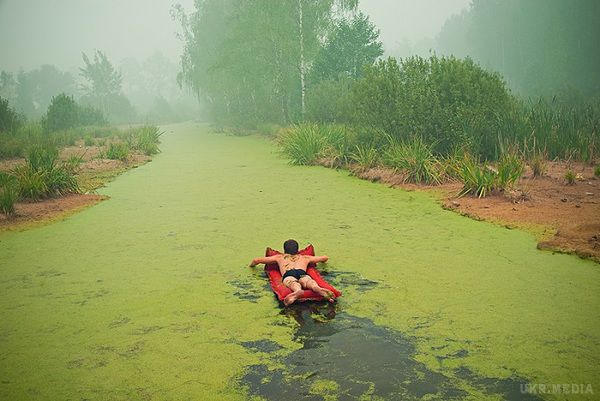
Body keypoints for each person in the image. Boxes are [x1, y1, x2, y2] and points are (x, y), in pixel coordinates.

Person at [250, 239, 334, 306]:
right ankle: (316, 287)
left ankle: (297, 291)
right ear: (297, 250)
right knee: (308, 281)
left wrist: (251, 266)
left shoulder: (279, 257)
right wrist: (323, 261)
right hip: (302, 273)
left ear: (284, 250)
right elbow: (325, 257)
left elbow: (256, 260)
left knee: (292, 283)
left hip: (289, 274)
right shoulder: (305, 258)